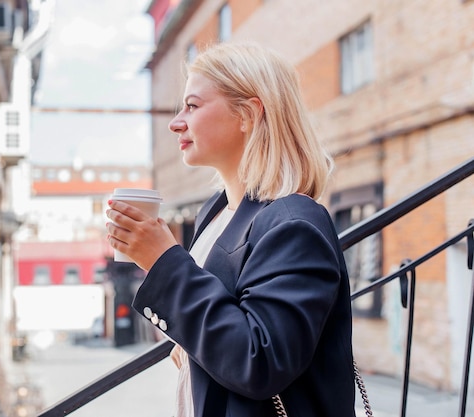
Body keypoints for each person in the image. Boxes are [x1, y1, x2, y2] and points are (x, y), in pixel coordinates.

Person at [105, 41, 355, 417]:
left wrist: (162, 261)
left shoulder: (294, 222)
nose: (176, 122)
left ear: (248, 115)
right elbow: (220, 323)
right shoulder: (217, 212)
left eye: (192, 105)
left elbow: (260, 361)